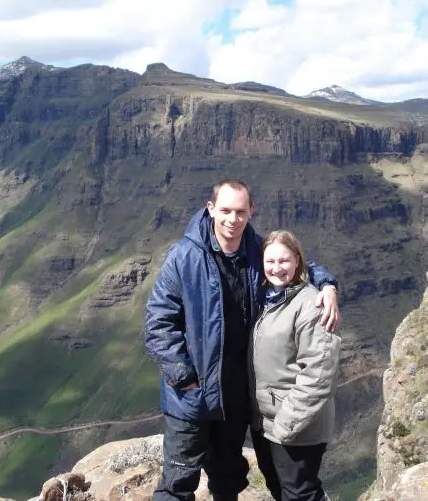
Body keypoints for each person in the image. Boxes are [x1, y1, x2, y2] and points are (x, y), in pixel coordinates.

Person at [144, 179, 339, 501]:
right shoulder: (183, 257)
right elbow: (158, 322)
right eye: (225, 211)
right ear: (210, 209)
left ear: (251, 211)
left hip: (234, 397)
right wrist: (185, 380)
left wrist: (328, 284)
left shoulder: (255, 251)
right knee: (177, 485)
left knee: (227, 480)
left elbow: (293, 264)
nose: (232, 219)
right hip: (191, 398)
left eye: (240, 211)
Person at [249, 230, 341, 501]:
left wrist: (287, 425)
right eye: (270, 261)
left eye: (284, 261)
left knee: (300, 494)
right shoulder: (265, 297)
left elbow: (319, 373)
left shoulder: (312, 305)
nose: (276, 268)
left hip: (295, 425)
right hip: (266, 422)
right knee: (281, 490)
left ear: (298, 261)